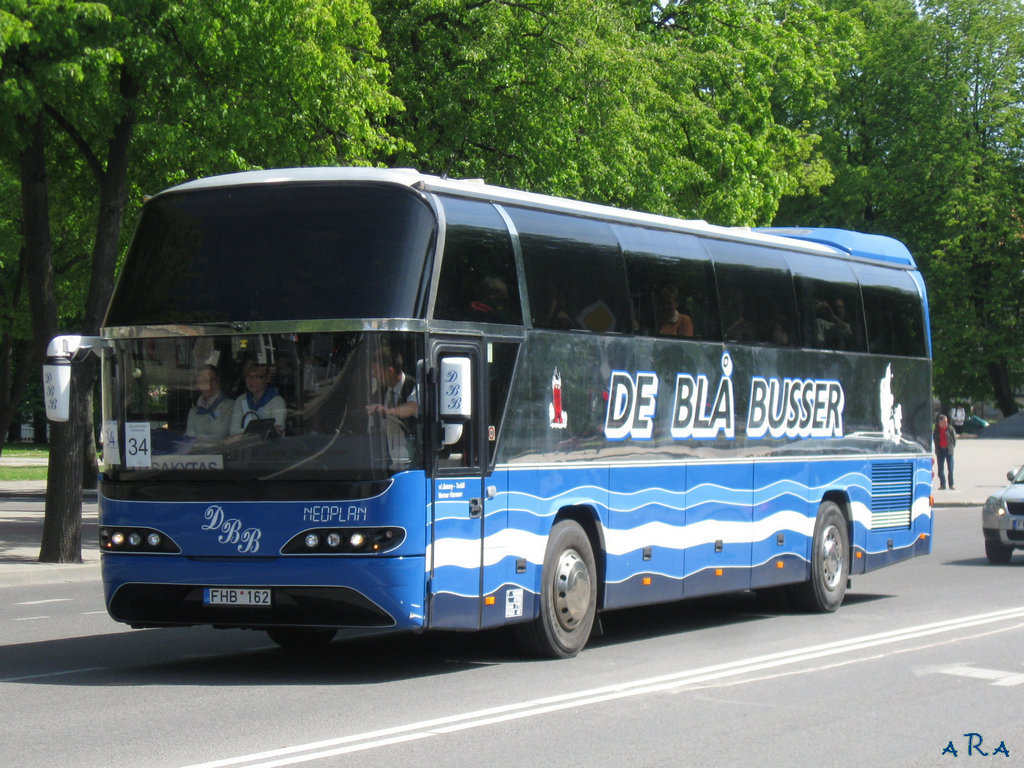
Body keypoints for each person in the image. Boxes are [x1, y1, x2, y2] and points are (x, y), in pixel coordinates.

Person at [366, 346, 418, 469]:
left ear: (390, 371)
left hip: (413, 465)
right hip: (388, 465)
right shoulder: (379, 393)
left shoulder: (414, 386)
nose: (374, 376)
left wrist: (389, 411)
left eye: (376, 371)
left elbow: (412, 407)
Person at [229, 361, 286, 436]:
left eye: (257, 377)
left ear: (267, 379)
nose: (252, 381)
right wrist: (262, 431)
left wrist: (243, 434)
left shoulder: (277, 401)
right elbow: (233, 431)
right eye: (249, 377)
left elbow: (276, 432)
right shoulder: (240, 400)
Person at [185, 365, 233, 439]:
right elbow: (189, 437)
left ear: (218, 381)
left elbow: (222, 435)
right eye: (204, 381)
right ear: (198, 384)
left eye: (212, 380)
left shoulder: (230, 406)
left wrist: (199, 440)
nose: (209, 384)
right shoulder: (193, 412)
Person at [934, 413, 957, 490]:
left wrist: (951, 447)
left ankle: (951, 485)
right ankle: (943, 485)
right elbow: (935, 440)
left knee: (950, 469)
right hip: (940, 451)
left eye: (946, 421)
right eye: (944, 422)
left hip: (949, 450)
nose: (946, 423)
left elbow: (954, 440)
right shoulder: (937, 430)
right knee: (940, 470)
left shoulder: (950, 429)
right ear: (940, 422)